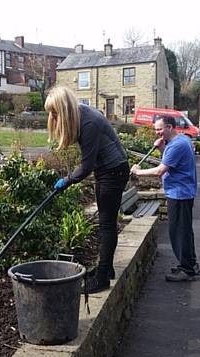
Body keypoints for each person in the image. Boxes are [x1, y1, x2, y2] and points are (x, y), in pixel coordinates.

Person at [45, 86, 129, 293]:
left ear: (64, 109)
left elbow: (86, 165)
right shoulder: (80, 113)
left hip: (113, 172)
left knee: (107, 224)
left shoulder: (89, 121)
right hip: (108, 171)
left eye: (54, 113)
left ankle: (102, 278)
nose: (53, 117)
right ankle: (106, 269)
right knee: (105, 223)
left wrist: (66, 181)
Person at [131, 115, 200, 281]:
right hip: (181, 192)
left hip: (179, 193)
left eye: (160, 129)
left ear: (169, 127)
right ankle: (190, 264)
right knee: (184, 231)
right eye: (156, 129)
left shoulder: (177, 145)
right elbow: (170, 163)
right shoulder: (181, 140)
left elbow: (160, 170)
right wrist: (162, 148)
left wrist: (138, 172)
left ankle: (187, 270)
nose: (157, 132)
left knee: (178, 232)